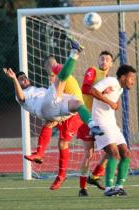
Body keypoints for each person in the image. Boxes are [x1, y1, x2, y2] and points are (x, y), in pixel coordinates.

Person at [24, 55, 86, 190]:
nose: (50, 75)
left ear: (54, 65)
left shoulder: (62, 73)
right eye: (48, 72)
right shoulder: (54, 78)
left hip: (73, 112)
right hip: (63, 108)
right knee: (48, 123)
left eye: (50, 71)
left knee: (63, 142)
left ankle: (61, 175)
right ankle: (40, 153)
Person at [90, 64, 137, 196]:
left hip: (112, 125)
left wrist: (113, 103)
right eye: (131, 78)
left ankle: (119, 186)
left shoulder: (120, 89)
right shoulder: (111, 81)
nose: (133, 81)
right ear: (122, 77)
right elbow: (93, 91)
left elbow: (112, 99)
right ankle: (109, 188)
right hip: (100, 123)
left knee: (125, 153)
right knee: (114, 154)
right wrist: (110, 103)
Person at [77, 51, 114, 197]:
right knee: (89, 153)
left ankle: (95, 175)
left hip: (102, 119)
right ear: (98, 61)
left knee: (112, 149)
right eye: (102, 58)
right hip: (88, 119)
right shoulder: (93, 70)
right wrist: (103, 92)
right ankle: (82, 188)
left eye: (107, 59)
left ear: (111, 63)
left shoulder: (111, 80)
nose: (104, 61)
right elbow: (85, 88)